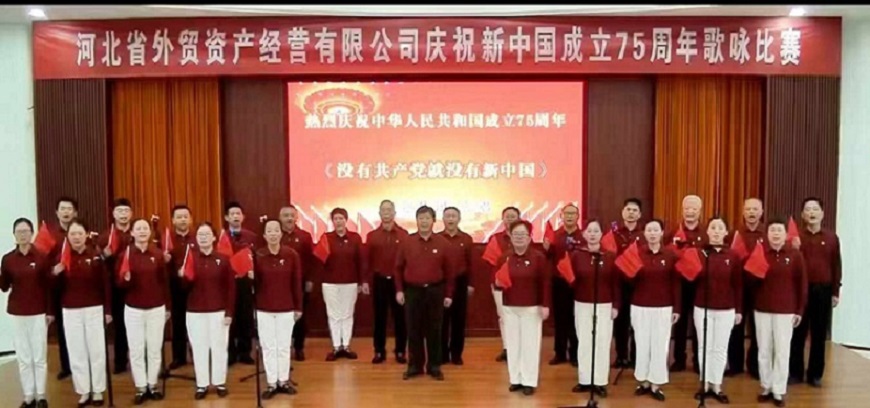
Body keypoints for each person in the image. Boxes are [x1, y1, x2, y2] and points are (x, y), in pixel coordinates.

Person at [53, 220, 112, 407]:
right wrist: (55, 273)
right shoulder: (62, 257)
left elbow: (105, 285)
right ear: (68, 236)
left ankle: (98, 390)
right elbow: (53, 288)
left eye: (79, 233)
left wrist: (108, 310)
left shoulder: (96, 256)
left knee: (96, 351)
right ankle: (84, 391)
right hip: (70, 310)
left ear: (86, 235)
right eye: (72, 234)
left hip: (94, 308)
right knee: (77, 351)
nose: (76, 237)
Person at [395, 206, 457, 381]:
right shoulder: (407, 242)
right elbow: (398, 268)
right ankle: (414, 366)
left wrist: (448, 294)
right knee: (413, 329)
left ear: (433, 221)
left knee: (435, 330)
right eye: (421, 218)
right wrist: (399, 290)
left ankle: (434, 366)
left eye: (427, 218)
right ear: (417, 221)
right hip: (412, 291)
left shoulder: (443, 243)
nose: (424, 221)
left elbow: (450, 271)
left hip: (435, 291)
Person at [622, 219, 680, 402]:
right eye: (649, 230)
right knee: (642, 344)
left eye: (656, 230)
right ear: (644, 233)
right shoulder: (637, 253)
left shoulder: (670, 255)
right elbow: (628, 282)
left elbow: (676, 283)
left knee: (660, 345)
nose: (653, 234)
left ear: (662, 233)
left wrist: (677, 308)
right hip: (640, 305)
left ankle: (656, 383)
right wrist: (628, 271)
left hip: (664, 307)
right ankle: (644, 381)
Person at [753, 217, 807, 407]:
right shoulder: (760, 253)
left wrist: (799, 310)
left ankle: (779, 390)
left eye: (779, 230)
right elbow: (751, 281)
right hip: (762, 309)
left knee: (782, 351)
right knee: (764, 350)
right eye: (772, 230)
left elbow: (802, 284)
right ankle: (766, 386)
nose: (776, 234)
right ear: (767, 234)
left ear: (786, 234)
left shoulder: (795, 255)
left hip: (786, 310)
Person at [789, 197, 842, 387]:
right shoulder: (796, 238)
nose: (811, 213)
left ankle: (815, 374)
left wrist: (835, 292)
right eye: (808, 209)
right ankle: (795, 372)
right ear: (803, 215)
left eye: (815, 209)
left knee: (819, 334)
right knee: (798, 332)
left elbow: (836, 266)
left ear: (822, 213)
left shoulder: (831, 238)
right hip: (801, 290)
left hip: (823, 290)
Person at [179, 223, 236, 400]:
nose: (203, 237)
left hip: (218, 311)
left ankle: (220, 382)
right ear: (196, 239)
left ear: (213, 238)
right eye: (200, 234)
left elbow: (230, 288)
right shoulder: (190, 259)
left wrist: (229, 312)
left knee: (219, 347)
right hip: (195, 311)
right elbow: (184, 288)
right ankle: (202, 384)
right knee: (199, 348)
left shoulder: (223, 259)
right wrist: (184, 276)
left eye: (207, 234)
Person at [118, 218, 171, 405]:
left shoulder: (157, 254)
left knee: (154, 348)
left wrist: (168, 307)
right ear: (132, 233)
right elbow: (119, 283)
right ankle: (140, 387)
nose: (142, 231)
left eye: (145, 228)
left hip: (156, 307)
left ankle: (152, 384)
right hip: (133, 309)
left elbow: (164, 282)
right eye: (138, 228)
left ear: (150, 232)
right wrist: (125, 279)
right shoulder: (125, 255)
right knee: (136, 349)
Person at [1, 218, 52, 408]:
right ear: (14, 235)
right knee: (23, 357)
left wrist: (50, 312)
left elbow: (48, 287)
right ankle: (28, 396)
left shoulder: (41, 257)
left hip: (38, 312)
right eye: (19, 232)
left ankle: (41, 395)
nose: (22, 235)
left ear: (31, 233)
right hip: (17, 312)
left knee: (39, 356)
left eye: (25, 231)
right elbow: (4, 286)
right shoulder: (8, 259)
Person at [690, 217, 742, 403]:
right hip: (702, 307)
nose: (716, 231)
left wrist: (738, 310)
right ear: (708, 231)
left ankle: (716, 385)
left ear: (726, 232)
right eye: (713, 227)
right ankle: (704, 383)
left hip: (726, 308)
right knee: (704, 347)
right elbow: (690, 279)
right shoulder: (699, 253)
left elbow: (738, 285)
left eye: (720, 228)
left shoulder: (733, 256)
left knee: (720, 347)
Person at [495, 220, 550, 395]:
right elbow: (497, 282)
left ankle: (529, 381)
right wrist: (497, 283)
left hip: (531, 307)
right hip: (510, 306)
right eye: (516, 234)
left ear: (530, 237)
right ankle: (515, 379)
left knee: (530, 345)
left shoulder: (538, 258)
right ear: (510, 237)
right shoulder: (504, 258)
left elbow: (545, 283)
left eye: (523, 234)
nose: (519, 238)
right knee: (513, 345)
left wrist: (545, 305)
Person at [252, 219, 304, 398]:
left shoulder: (291, 255)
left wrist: (298, 307)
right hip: (264, 308)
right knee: (268, 347)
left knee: (283, 346)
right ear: (264, 235)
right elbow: (255, 285)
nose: (273, 234)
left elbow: (296, 282)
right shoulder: (258, 256)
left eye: (276, 230)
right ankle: (271, 383)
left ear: (281, 234)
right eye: (269, 231)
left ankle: (283, 380)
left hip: (286, 307)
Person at [568, 220, 619, 397]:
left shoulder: (609, 256)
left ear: (601, 234)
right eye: (589, 231)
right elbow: (571, 280)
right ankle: (584, 380)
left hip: (605, 304)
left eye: (596, 231)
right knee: (584, 341)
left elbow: (615, 283)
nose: (592, 234)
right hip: (582, 303)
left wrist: (616, 305)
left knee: (602, 342)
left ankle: (600, 381)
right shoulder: (576, 255)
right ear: (584, 234)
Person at [317, 207, 366, 360]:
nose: (338, 221)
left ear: (346, 220)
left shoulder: (355, 238)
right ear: (332, 221)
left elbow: (361, 261)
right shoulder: (326, 238)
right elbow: (319, 262)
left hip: (350, 282)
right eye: (335, 219)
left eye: (341, 218)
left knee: (347, 314)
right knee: (333, 315)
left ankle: (346, 346)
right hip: (330, 283)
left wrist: (362, 281)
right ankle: (336, 346)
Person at [366, 200, 409, 364]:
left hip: (399, 282)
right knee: (379, 318)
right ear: (379, 213)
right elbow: (367, 261)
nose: (386, 212)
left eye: (389, 210)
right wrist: (365, 281)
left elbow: (407, 260)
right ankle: (379, 351)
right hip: (380, 280)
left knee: (400, 318)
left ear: (394, 213)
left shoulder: (404, 234)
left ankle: (400, 351)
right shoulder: (372, 236)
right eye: (383, 210)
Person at [727, 198, 765, 378]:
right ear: (743, 212)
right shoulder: (735, 234)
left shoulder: (767, 233)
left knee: (758, 327)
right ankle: (735, 365)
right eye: (748, 209)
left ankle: (754, 365)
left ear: (761, 212)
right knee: (736, 326)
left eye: (755, 209)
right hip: (739, 286)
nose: (751, 213)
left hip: (761, 286)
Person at [668, 195, 706, 373]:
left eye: (694, 209)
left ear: (700, 211)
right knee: (680, 323)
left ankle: (698, 360)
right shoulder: (673, 233)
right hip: (679, 284)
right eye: (687, 208)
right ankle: (679, 359)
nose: (690, 212)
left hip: (700, 284)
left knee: (699, 323)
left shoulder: (706, 233)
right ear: (682, 210)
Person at [96, 198, 133, 375]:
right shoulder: (105, 236)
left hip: (136, 285)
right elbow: (97, 262)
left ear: (131, 213)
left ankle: (139, 361)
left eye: (126, 211)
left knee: (137, 325)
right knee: (120, 325)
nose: (123, 215)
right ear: (113, 214)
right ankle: (120, 361)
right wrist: (105, 255)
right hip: (115, 287)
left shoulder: (137, 232)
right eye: (119, 211)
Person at [544, 204, 581, 367]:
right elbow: (548, 257)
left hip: (578, 282)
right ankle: (559, 353)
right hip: (559, 281)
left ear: (578, 216)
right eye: (567, 213)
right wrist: (546, 248)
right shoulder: (555, 235)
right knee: (560, 318)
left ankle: (574, 353)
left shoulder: (584, 236)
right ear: (561, 216)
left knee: (575, 318)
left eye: (573, 213)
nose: (570, 216)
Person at [278, 205, 315, 362]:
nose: (289, 218)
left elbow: (311, 260)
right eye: (285, 215)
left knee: (300, 315)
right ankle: (283, 346)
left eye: (291, 215)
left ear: (296, 218)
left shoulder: (305, 236)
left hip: (300, 281)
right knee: (282, 315)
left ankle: (299, 348)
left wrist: (310, 279)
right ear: (280, 218)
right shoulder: (275, 235)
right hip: (280, 283)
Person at [439, 206, 474, 365]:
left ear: (459, 219)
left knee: (459, 320)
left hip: (460, 281)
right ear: (443, 219)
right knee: (442, 320)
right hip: (442, 282)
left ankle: (456, 354)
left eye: (454, 216)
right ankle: (442, 354)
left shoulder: (466, 239)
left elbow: (471, 263)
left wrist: (470, 284)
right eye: (448, 216)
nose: (451, 219)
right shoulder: (438, 238)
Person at [48, 197, 78, 380]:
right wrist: (53, 271)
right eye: (62, 208)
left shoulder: (80, 232)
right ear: (57, 212)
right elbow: (42, 261)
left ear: (75, 213)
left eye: (69, 209)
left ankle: (81, 365)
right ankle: (66, 366)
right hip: (59, 287)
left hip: (78, 287)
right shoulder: (50, 236)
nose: (66, 212)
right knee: (63, 329)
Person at [224, 202, 258, 366]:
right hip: (227, 282)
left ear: (243, 217)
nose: (235, 216)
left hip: (245, 281)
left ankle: (245, 351)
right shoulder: (222, 237)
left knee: (246, 316)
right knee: (229, 317)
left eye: (238, 213)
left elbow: (256, 257)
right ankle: (230, 352)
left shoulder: (251, 237)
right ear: (226, 217)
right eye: (232, 214)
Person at [612, 198, 644, 369]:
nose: (631, 213)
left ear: (639, 214)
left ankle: (636, 357)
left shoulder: (644, 235)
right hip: (619, 282)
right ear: (623, 212)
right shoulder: (615, 234)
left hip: (639, 283)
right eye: (628, 210)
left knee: (637, 322)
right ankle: (621, 356)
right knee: (621, 322)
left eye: (634, 210)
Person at [485, 206, 520, 362]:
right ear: (502, 219)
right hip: (500, 283)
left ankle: (519, 346)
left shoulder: (525, 237)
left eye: (513, 216)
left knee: (520, 315)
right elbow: (492, 261)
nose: (510, 219)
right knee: (504, 316)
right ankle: (507, 348)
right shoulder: (496, 238)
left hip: (521, 284)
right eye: (507, 216)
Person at [164, 204, 195, 371]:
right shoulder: (167, 239)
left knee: (195, 323)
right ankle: (179, 357)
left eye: (185, 217)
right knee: (178, 322)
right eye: (179, 217)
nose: (182, 220)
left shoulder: (196, 238)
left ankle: (197, 355)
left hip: (194, 285)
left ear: (190, 219)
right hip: (175, 286)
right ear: (173, 220)